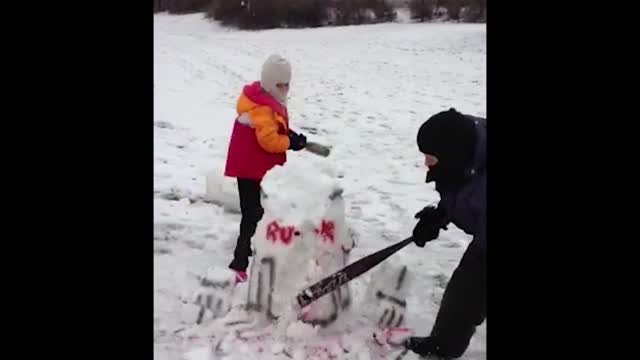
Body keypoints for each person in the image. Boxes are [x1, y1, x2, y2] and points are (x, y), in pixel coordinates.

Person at [405, 108, 486, 359]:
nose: (426, 163)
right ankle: (443, 346)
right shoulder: (462, 158)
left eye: (431, 157)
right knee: (464, 292)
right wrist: (440, 216)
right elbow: (463, 191)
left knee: (473, 283)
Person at [224, 54, 307, 282]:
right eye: (280, 85)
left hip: (252, 165)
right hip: (250, 167)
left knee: (257, 211)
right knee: (252, 214)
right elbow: (269, 141)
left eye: (287, 84)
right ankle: (239, 263)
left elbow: (273, 127)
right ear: (270, 83)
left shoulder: (263, 98)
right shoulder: (261, 108)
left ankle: (257, 247)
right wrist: (290, 143)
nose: (285, 89)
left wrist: (291, 135)